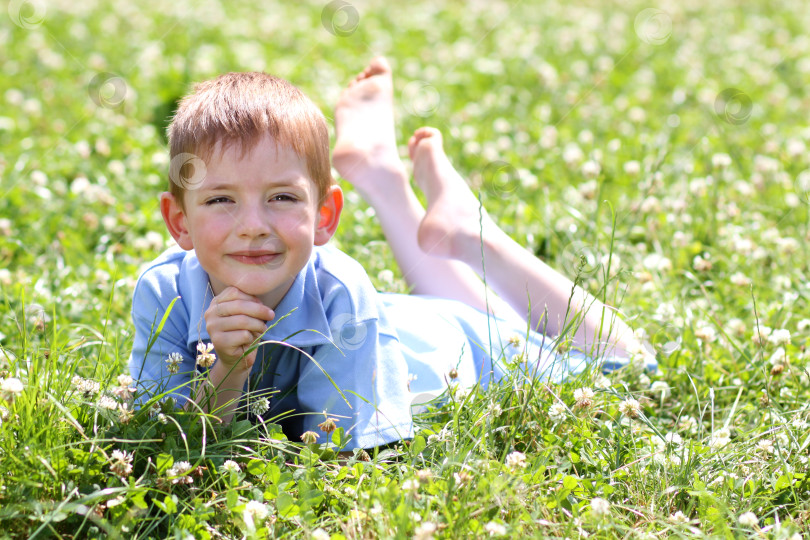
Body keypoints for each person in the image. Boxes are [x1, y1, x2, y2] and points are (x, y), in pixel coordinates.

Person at [129, 58, 653, 452]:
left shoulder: (341, 290)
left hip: (448, 349)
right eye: (221, 200)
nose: (253, 227)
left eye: (282, 197)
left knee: (622, 360)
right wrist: (226, 370)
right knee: (467, 308)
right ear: (180, 222)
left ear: (325, 217)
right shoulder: (163, 292)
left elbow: (341, 457)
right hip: (393, 318)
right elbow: (169, 444)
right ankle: (382, 173)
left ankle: (476, 235)